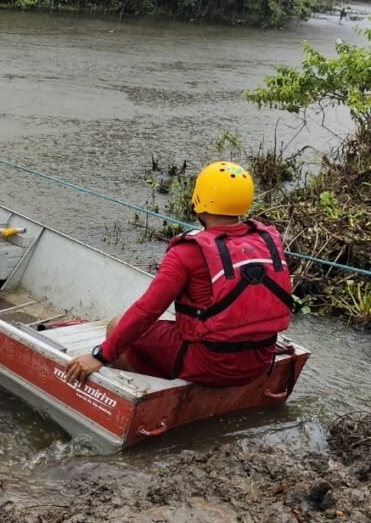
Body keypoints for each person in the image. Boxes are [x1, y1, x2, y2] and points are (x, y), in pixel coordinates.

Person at [64, 161, 292, 388]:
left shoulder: (186, 252)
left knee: (117, 326)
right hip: (260, 360)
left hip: (213, 364)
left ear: (199, 200)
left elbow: (147, 311)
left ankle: (147, 389)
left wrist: (99, 356)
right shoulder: (264, 240)